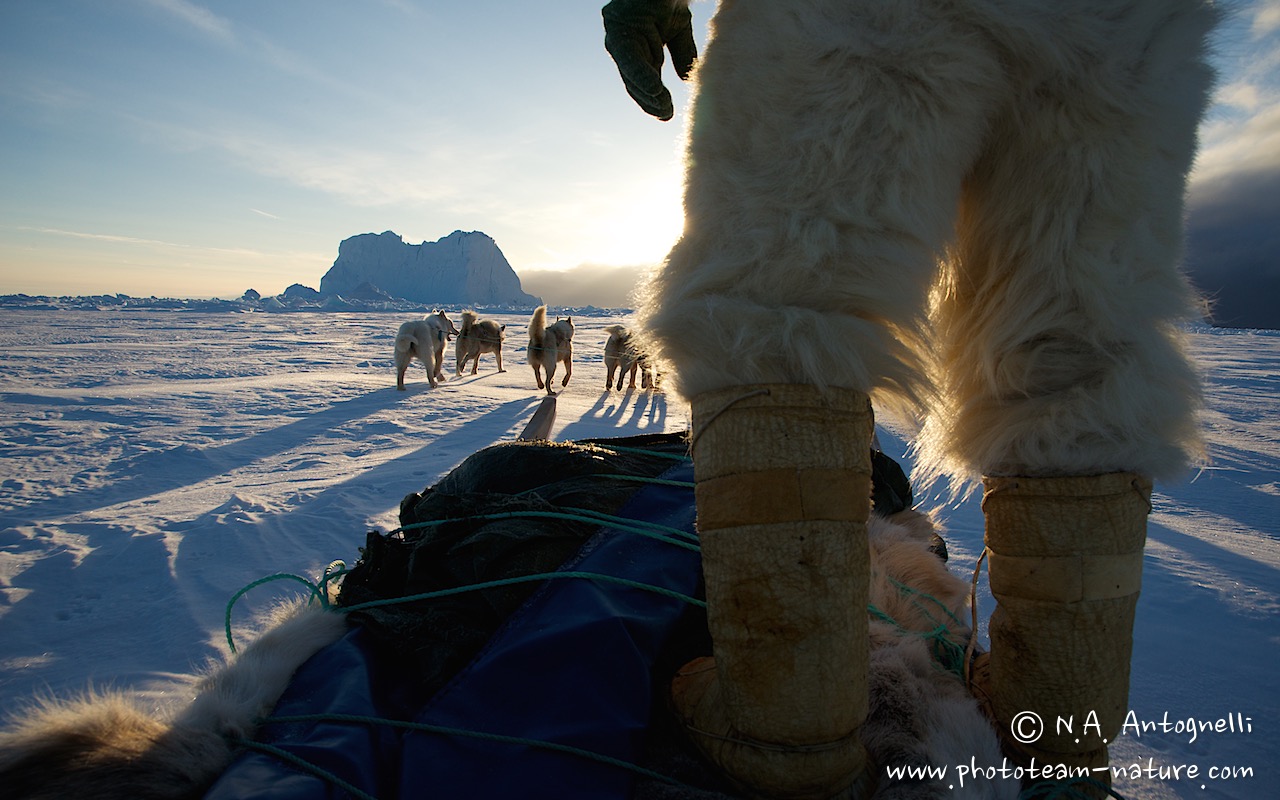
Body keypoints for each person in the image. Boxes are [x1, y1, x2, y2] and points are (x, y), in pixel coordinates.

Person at [603, 1, 1218, 797]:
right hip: (1123, 26)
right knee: (1077, 341)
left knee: (783, 293)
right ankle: (1060, 732)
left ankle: (790, 728)